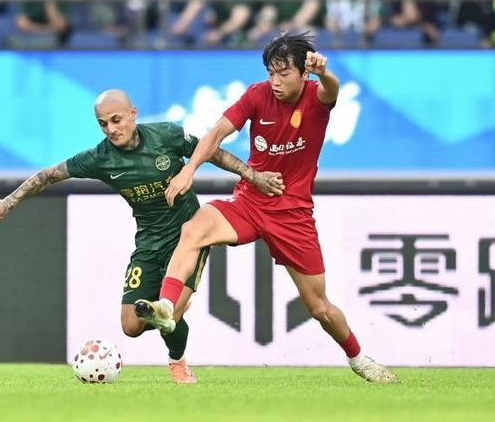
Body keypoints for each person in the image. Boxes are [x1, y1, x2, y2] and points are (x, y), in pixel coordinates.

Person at [135, 33, 399, 383]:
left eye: (283, 73)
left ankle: (360, 360)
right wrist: (189, 170)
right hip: (249, 202)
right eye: (271, 72)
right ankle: (166, 307)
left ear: (304, 72)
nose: (275, 81)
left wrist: (325, 73)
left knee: (319, 307)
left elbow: (331, 90)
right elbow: (216, 134)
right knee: (194, 228)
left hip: (292, 215)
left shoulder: (316, 96)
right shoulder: (257, 95)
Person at [0, 89, 283, 384]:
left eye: (116, 120)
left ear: (133, 114)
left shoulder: (166, 135)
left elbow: (212, 152)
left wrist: (253, 176)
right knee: (131, 326)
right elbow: (50, 174)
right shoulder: (100, 158)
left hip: (189, 238)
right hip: (148, 243)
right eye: (103, 124)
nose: (111, 129)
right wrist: (7, 203)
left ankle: (177, 361)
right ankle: (170, 309)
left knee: (169, 317)